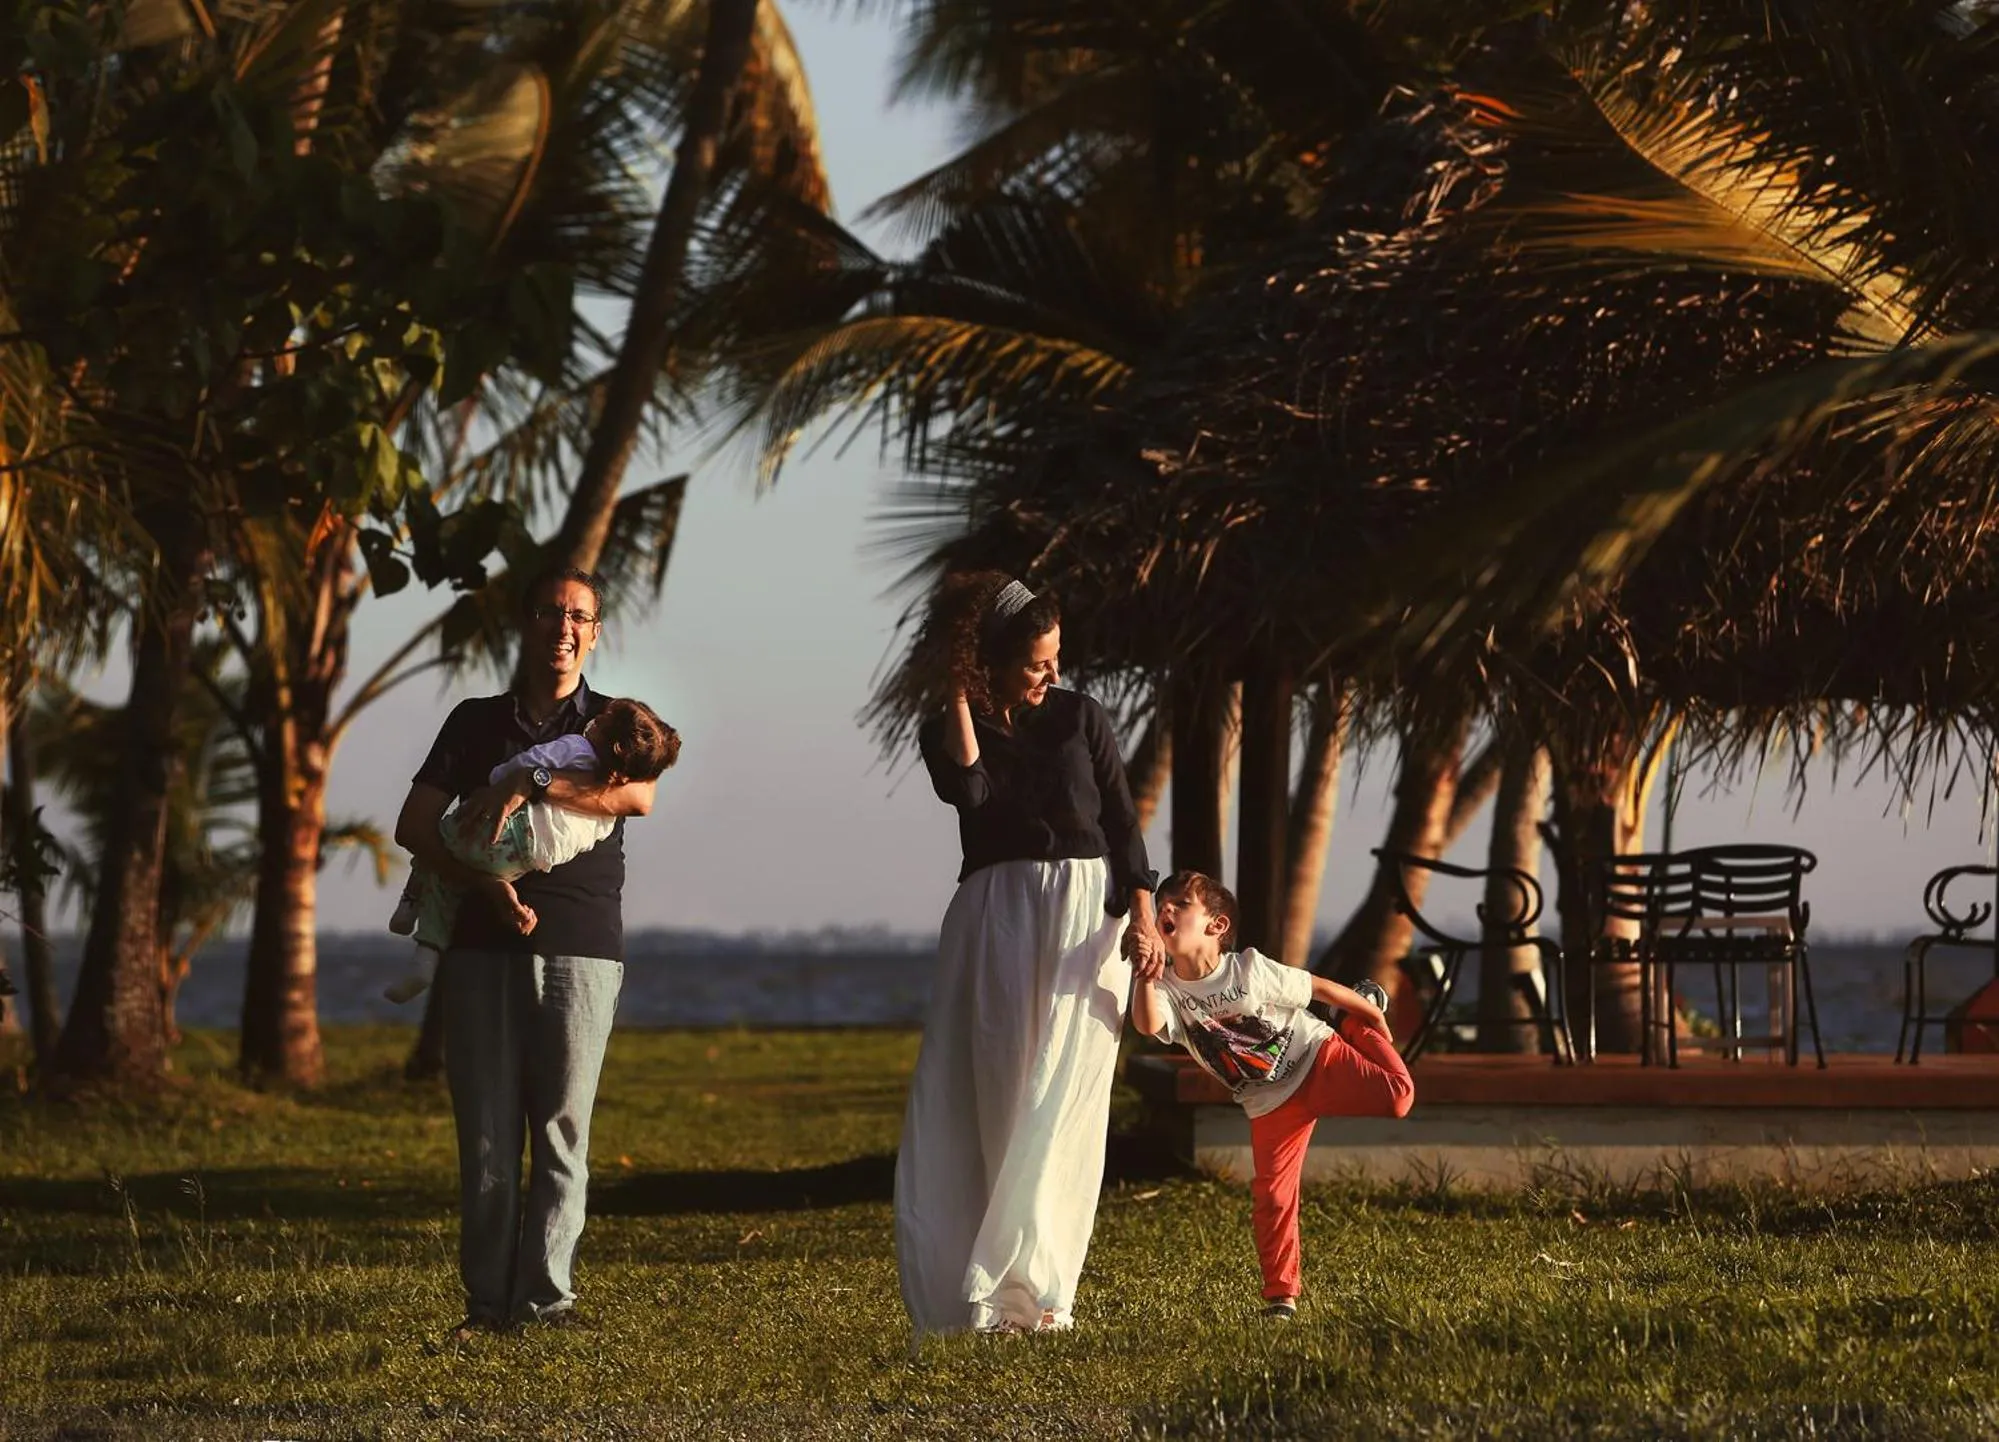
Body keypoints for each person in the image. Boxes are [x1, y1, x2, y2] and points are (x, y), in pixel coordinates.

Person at [896, 571, 1165, 1336]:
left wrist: (1143, 915)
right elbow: (970, 793)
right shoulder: (947, 725)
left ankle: (1045, 1290)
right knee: (1002, 1090)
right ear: (990, 662)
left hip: (1086, 916)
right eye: (1034, 663)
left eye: (1055, 659)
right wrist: (957, 694)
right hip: (999, 914)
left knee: (1063, 1102)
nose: (1051, 674)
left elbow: (1122, 822)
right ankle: (993, 1289)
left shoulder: (1080, 715)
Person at [394, 565, 659, 1339]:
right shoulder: (474, 721)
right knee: (485, 1134)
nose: (563, 628)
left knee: (561, 1133)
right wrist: (481, 885)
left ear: (595, 633)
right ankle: (485, 1307)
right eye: (549, 612)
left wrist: (535, 780)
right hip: (479, 946)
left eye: (578, 616)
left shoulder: (616, 721)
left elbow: (637, 795)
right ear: (526, 624)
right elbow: (414, 825)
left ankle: (545, 1303)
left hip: (582, 947)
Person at [1129, 870, 1414, 1320]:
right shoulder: (1168, 989)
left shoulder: (1248, 969)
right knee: (1274, 1197)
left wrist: (1369, 1017)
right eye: (1162, 903)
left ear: (1217, 925)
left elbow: (1317, 988)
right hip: (1269, 1103)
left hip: (1317, 1056)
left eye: (1181, 904)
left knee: (1398, 1097)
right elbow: (1147, 1025)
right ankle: (1282, 1297)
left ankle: (1352, 1023)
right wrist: (1144, 976)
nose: (1165, 908)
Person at [383, 698, 679, 1003]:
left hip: (507, 835)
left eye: (600, 722)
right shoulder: (608, 802)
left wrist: (506, 781)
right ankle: (424, 949)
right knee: (450, 880)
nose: (593, 722)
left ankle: (415, 909)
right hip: (524, 860)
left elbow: (531, 761)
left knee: (444, 844)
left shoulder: (577, 745)